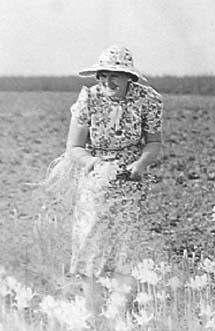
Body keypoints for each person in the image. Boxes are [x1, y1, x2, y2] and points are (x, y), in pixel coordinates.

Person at [44, 45, 163, 306]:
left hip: (129, 180)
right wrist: (95, 164)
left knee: (124, 243)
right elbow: (74, 147)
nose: (108, 81)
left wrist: (140, 165)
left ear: (129, 78)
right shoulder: (89, 99)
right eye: (103, 75)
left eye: (115, 76)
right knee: (91, 241)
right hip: (96, 178)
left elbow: (153, 142)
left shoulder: (148, 100)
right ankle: (92, 309)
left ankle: (119, 311)